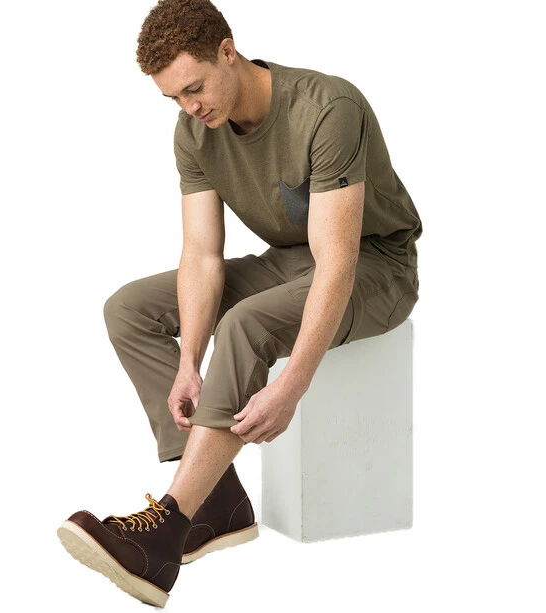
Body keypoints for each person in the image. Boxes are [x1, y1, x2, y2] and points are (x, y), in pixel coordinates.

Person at [57, 0, 423, 607]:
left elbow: (337, 264)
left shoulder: (328, 108)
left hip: (376, 266)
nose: (189, 107)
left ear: (228, 51)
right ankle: (216, 498)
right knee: (129, 309)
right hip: (291, 260)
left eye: (194, 88)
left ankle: (167, 531)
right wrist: (187, 362)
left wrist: (293, 384)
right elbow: (202, 255)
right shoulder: (194, 133)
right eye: (173, 98)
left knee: (247, 322)